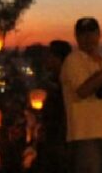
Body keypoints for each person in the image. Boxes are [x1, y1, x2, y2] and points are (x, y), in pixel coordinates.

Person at [61, 16, 102, 173]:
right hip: (85, 134)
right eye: (83, 34)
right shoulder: (73, 61)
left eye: (92, 33)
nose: (88, 38)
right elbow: (83, 91)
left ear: (99, 34)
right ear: (76, 37)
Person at [35, 39, 72, 173]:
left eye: (49, 55)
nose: (46, 59)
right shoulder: (54, 83)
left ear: (58, 58)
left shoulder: (67, 84)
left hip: (60, 145)